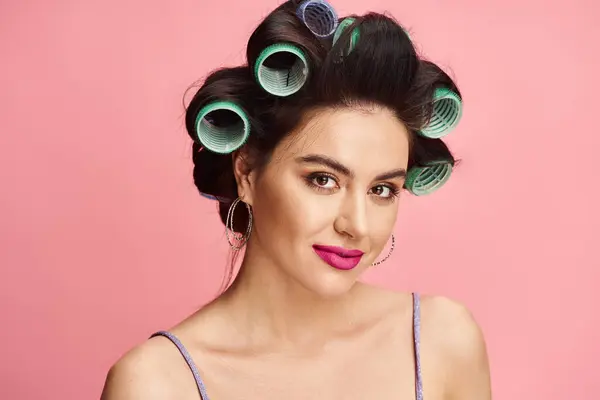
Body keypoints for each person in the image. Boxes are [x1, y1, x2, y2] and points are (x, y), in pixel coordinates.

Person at [101, 1, 491, 399]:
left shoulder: (441, 342)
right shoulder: (157, 384)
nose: (356, 224)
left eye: (381, 190)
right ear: (247, 172)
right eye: (323, 180)